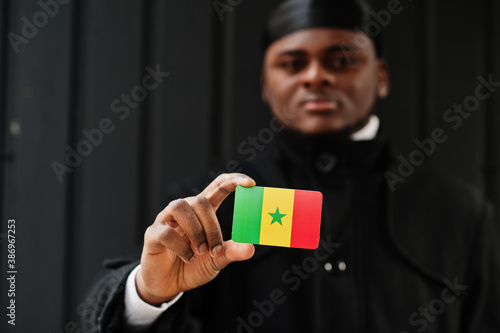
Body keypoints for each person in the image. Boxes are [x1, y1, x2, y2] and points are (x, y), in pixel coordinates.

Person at [82, 0, 500, 332]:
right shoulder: (204, 207)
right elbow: (95, 318)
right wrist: (148, 296)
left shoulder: (460, 213)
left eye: (342, 61)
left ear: (382, 76)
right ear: (266, 84)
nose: (315, 77)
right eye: (292, 63)